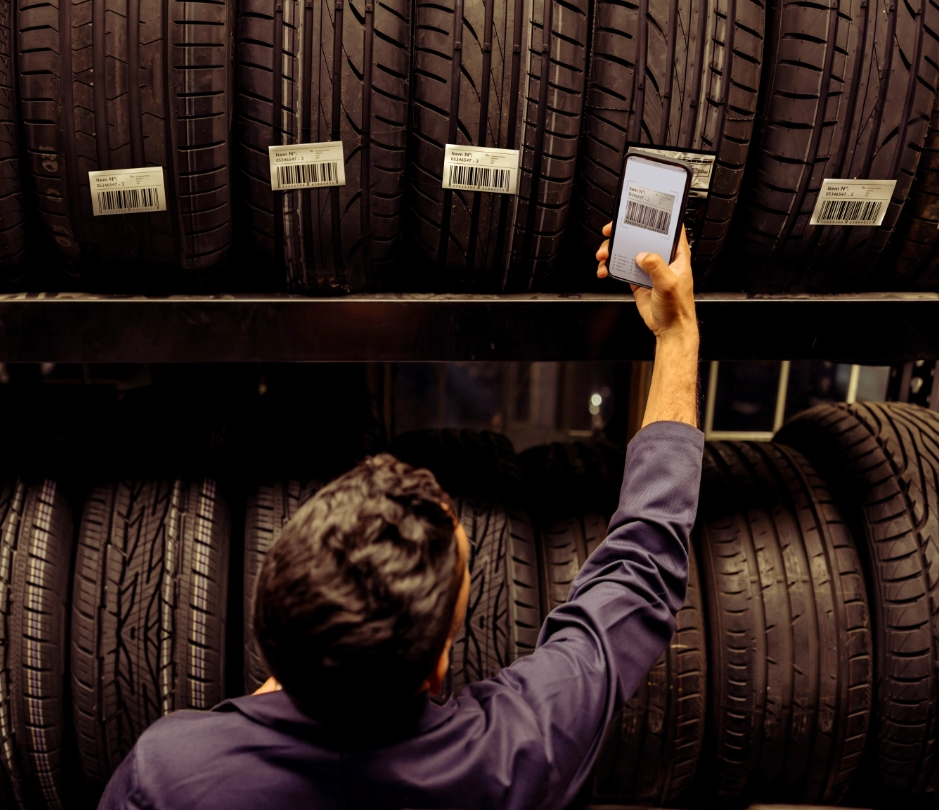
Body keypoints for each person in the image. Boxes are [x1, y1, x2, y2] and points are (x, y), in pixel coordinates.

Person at [96, 223, 703, 810]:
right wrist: (677, 335)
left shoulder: (166, 776)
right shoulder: (509, 758)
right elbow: (640, 570)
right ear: (438, 670)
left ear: (270, 631)